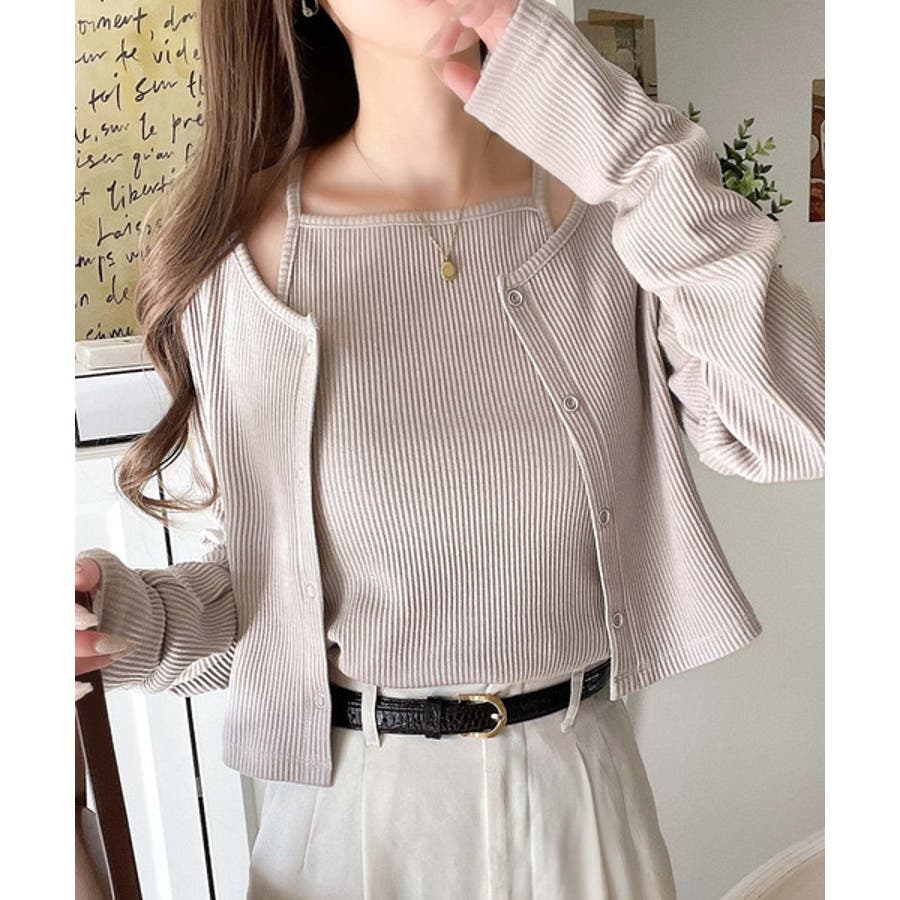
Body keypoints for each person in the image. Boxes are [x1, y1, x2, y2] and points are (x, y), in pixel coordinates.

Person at [74, 1, 826, 897]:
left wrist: (630, 151)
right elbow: (259, 592)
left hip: (585, 802)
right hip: (355, 827)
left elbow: (799, 423)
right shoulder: (240, 259)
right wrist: (115, 619)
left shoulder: (620, 215)